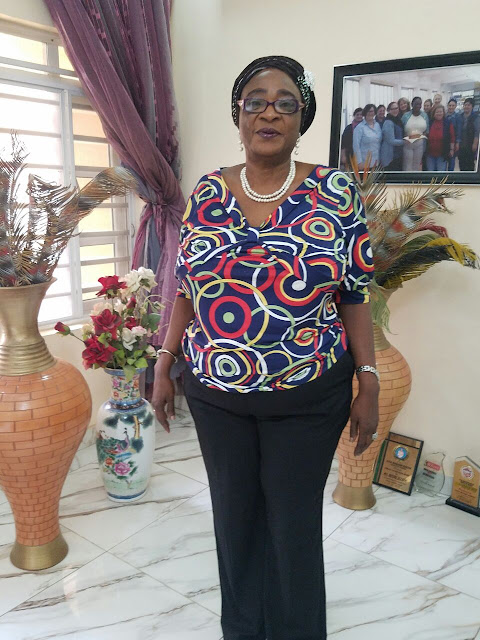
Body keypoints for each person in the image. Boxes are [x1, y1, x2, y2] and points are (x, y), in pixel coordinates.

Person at [152, 55, 379, 640]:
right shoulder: (207, 191)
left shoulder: (335, 191)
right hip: (214, 394)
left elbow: (354, 294)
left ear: (302, 118)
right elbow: (186, 286)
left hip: (307, 396)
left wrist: (370, 380)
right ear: (239, 115)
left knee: (292, 527)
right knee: (234, 521)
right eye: (255, 101)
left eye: (285, 103)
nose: (269, 113)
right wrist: (164, 361)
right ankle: (243, 630)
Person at [402, 96, 429, 171]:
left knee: (416, 165)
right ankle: (406, 178)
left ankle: (414, 178)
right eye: (416, 104)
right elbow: (401, 129)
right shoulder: (406, 116)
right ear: (412, 104)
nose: (418, 106)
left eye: (420, 104)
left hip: (420, 144)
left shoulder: (424, 115)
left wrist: (421, 136)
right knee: (407, 165)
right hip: (408, 144)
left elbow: (427, 130)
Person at [425, 104, 455, 171]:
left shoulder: (448, 123)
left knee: (440, 174)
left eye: (441, 112)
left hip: (442, 154)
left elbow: (452, 137)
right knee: (430, 173)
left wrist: (451, 149)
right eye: (437, 112)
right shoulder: (430, 122)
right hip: (430, 154)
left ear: (443, 113)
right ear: (434, 113)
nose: (439, 113)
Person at [353, 103, 382, 168]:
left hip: (377, 162)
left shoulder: (377, 125)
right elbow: (356, 146)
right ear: (365, 113)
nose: (370, 113)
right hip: (364, 163)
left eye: (372, 111)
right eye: (368, 111)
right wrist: (359, 162)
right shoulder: (359, 128)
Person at [380, 101, 404, 170]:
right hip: (390, 156)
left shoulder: (398, 120)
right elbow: (391, 141)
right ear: (388, 110)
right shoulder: (388, 122)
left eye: (396, 108)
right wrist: (405, 141)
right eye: (392, 109)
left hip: (398, 154)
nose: (395, 110)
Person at [458, 97, 480, 171]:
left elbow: (477, 132)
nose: (466, 107)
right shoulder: (460, 116)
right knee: (461, 163)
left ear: (472, 106)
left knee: (470, 163)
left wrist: (475, 144)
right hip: (461, 145)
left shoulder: (476, 117)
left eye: (468, 105)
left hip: (470, 144)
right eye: (465, 105)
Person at [446, 98, 462, 170]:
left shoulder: (458, 117)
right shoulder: (444, 115)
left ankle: (450, 175)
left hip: (454, 141)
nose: (451, 107)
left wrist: (457, 143)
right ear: (447, 106)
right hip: (445, 141)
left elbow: (459, 130)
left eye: (453, 105)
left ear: (455, 106)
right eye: (450, 105)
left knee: (452, 160)